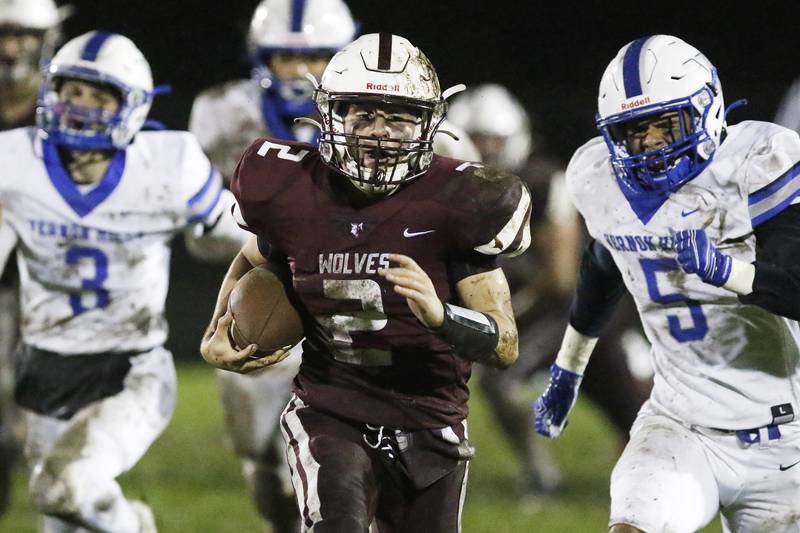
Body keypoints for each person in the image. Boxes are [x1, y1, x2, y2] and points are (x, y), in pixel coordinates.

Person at [201, 33, 531, 532]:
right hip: (329, 409)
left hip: (430, 417)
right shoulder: (293, 190)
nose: (378, 133)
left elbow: (504, 344)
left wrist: (443, 317)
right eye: (363, 115)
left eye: (397, 117)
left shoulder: (460, 202)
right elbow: (253, 257)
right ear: (331, 115)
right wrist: (217, 328)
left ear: (428, 122)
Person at [534, 34, 800, 532]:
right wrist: (568, 368)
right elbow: (603, 263)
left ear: (708, 109)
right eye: (635, 131)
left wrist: (730, 272)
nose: (652, 144)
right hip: (681, 425)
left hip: (786, 440)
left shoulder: (759, 163)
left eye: (665, 125)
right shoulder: (600, 179)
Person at [0, 31, 246, 532]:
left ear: (130, 107)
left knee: (60, 487)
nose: (80, 107)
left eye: (98, 96)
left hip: (130, 372)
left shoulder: (167, 165)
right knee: (61, 513)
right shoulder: (14, 161)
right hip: (46, 368)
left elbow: (245, 235)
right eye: (71, 92)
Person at [448, 84, 647, 500]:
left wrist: (502, 315)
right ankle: (542, 474)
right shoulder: (452, 187)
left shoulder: (541, 182)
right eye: (478, 138)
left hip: (573, 311)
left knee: (631, 408)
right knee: (624, 406)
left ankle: (550, 476)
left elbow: (559, 279)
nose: (485, 149)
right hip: (544, 312)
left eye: (494, 139)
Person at [0, 0, 65, 517]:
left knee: (53, 418)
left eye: (22, 33)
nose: (9, 47)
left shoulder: (77, 103)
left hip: (56, 280)